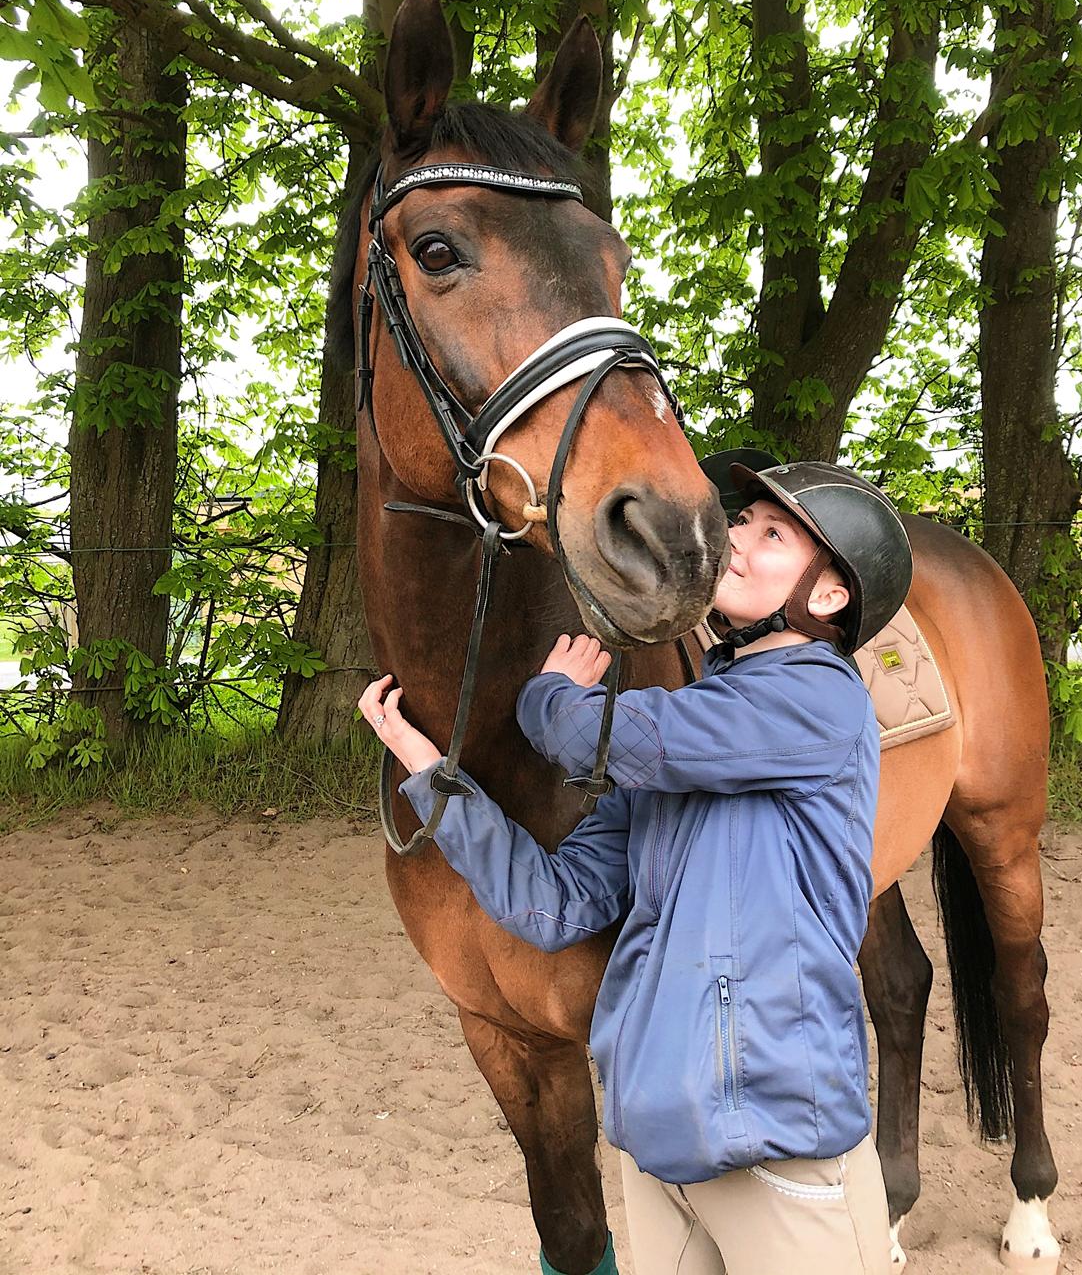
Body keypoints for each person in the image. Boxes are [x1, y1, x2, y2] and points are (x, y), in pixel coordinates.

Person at [359, 460, 914, 1275]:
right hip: (656, 1145)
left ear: (827, 597)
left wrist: (547, 697)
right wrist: (431, 774)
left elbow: (601, 737)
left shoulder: (818, 699)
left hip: (776, 1141)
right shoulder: (686, 747)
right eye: (744, 520)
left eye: (772, 535)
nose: (735, 541)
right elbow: (549, 905)